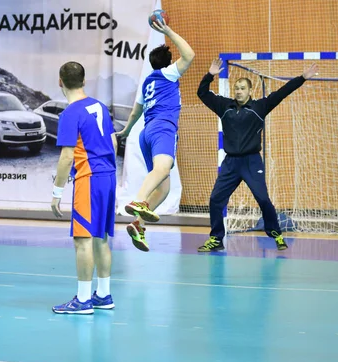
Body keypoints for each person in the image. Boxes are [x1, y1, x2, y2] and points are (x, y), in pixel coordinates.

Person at [196, 58, 320, 252]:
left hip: (252, 162)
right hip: (230, 164)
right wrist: (210, 75)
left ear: (250, 91)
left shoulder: (260, 107)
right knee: (215, 200)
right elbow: (201, 93)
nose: (238, 91)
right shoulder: (224, 106)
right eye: (236, 88)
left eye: (242, 88)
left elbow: (282, 93)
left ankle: (276, 234)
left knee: (263, 199)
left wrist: (302, 78)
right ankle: (216, 239)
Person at [116, 18, 195, 252]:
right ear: (169, 63)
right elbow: (189, 55)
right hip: (162, 128)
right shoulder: (168, 74)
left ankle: (138, 225)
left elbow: (134, 113)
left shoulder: (147, 82)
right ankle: (138, 200)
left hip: (145, 133)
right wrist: (168, 30)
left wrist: (125, 131)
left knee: (164, 188)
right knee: (162, 169)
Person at [50, 61, 117, 315]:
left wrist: (56, 193)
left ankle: (83, 300)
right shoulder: (98, 106)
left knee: (82, 241)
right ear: (84, 80)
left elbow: (67, 157)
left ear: (60, 81)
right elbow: (113, 142)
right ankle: (103, 294)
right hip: (108, 176)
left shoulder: (70, 113)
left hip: (89, 178)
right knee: (101, 238)